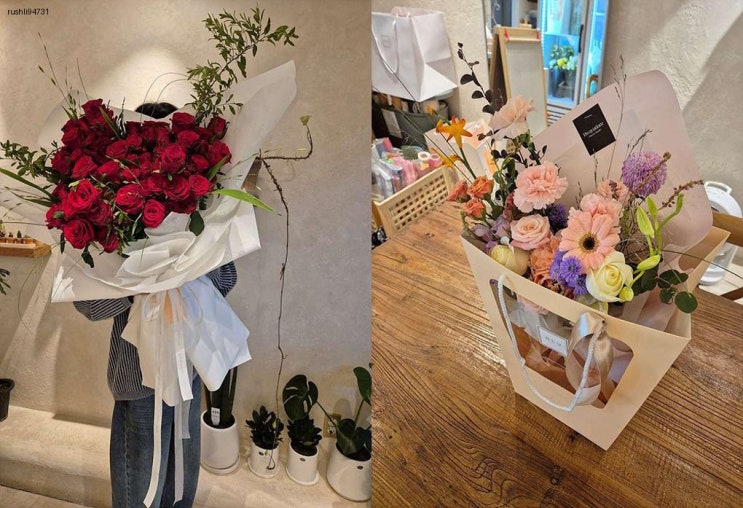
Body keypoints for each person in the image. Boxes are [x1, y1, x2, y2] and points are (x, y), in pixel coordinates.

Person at [74, 102, 237, 508]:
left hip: (189, 367)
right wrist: (140, 285)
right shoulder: (112, 228)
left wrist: (185, 276)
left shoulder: (201, 218)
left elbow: (228, 278)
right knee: (137, 491)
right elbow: (88, 305)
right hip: (137, 376)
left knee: (181, 485)